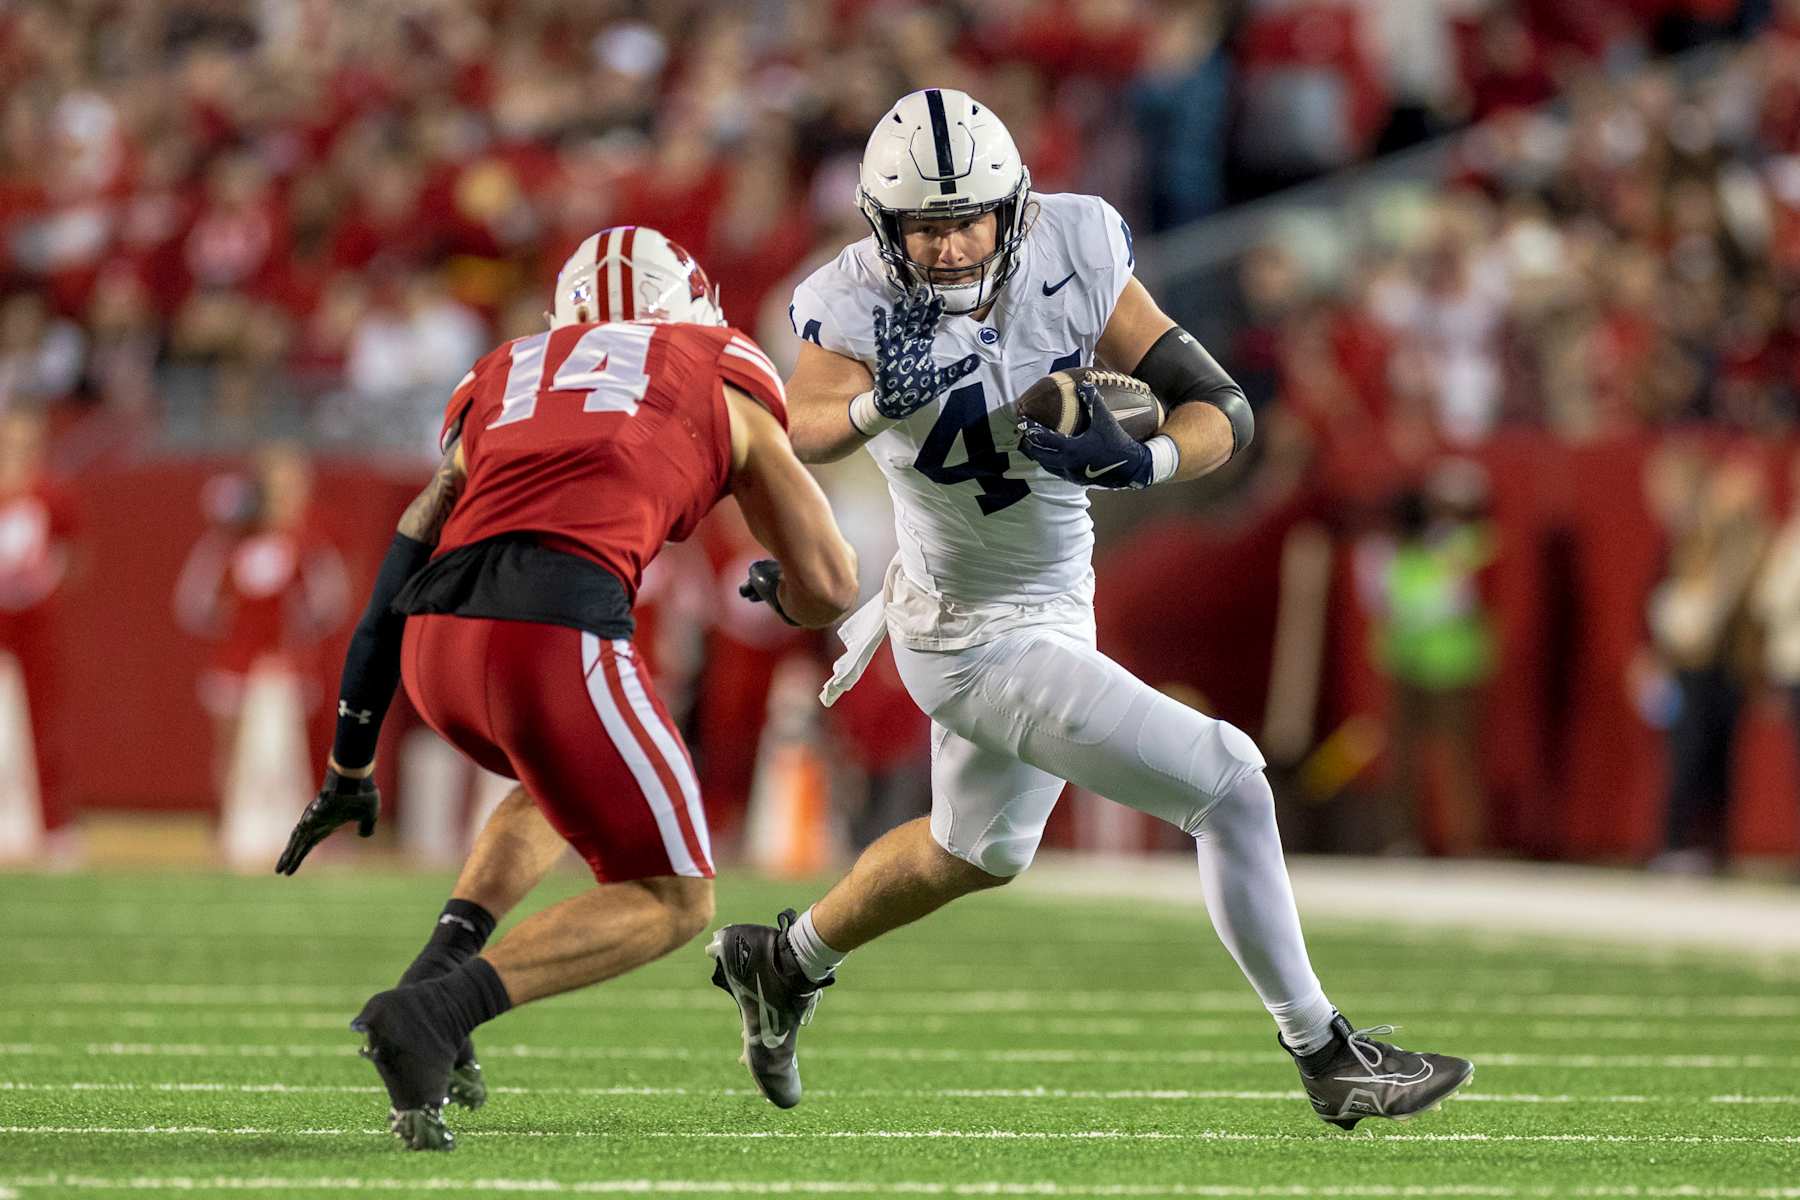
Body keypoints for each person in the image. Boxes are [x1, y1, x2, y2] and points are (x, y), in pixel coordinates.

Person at [710, 88, 1473, 1129]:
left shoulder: (1077, 244)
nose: (945, 247)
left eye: (966, 218)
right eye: (923, 227)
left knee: (972, 853)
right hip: (967, 634)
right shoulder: (849, 302)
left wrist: (1145, 455)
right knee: (1232, 782)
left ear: (1014, 209)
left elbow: (1224, 409)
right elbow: (794, 428)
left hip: (1059, 601)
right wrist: (873, 402)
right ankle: (1326, 1053)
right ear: (883, 230)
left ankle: (784, 962)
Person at [273, 226, 859, 1150]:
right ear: (692, 304)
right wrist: (782, 591)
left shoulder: (501, 371)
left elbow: (404, 553)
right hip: (549, 632)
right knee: (673, 900)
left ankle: (437, 973)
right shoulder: (718, 358)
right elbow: (830, 584)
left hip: (436, 649)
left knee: (552, 786)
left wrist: (351, 755)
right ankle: (439, 1015)